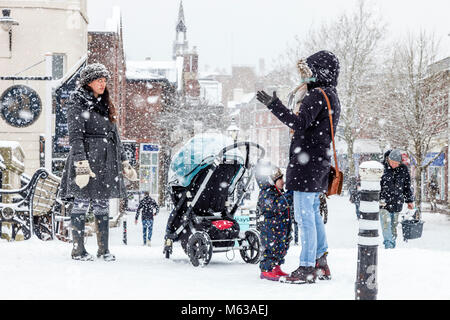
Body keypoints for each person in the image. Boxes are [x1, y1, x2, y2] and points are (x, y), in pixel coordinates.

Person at [257, 50, 340, 284]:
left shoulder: (316, 95)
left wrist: (274, 105)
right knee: (313, 215)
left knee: (306, 218)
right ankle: (321, 263)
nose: (305, 75)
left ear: (319, 72)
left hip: (306, 166)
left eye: (308, 70)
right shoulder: (331, 95)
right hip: (318, 164)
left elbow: (299, 123)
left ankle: (307, 267)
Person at [59, 63, 137, 261]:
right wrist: (81, 164)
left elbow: (115, 135)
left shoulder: (104, 102)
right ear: (88, 82)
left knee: (102, 203)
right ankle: (78, 249)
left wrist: (124, 161)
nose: (103, 84)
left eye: (104, 81)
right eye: (98, 80)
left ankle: (103, 250)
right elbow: (75, 136)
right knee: (82, 202)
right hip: (86, 158)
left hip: (106, 160)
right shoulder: (77, 102)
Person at [255, 163, 293, 282]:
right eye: (280, 179)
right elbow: (276, 205)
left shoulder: (278, 192)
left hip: (280, 229)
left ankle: (276, 267)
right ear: (271, 180)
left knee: (280, 248)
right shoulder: (266, 193)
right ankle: (266, 270)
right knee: (271, 249)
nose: (283, 181)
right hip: (270, 230)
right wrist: (289, 196)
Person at [379, 149, 415, 249]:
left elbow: (406, 187)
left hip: (396, 203)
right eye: (393, 163)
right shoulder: (381, 168)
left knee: (393, 228)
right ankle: (388, 246)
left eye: (397, 163)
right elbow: (377, 186)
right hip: (383, 203)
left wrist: (409, 201)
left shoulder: (403, 169)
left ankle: (392, 247)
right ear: (388, 159)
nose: (395, 165)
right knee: (386, 225)